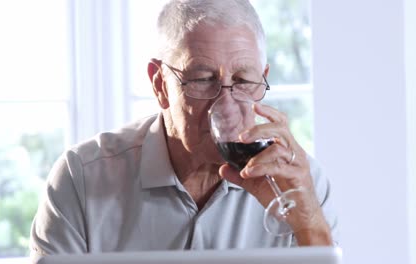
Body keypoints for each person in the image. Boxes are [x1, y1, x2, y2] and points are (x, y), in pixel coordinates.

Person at [29, 0, 338, 258]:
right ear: (160, 84)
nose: (227, 106)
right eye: (203, 80)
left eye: (243, 81)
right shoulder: (80, 179)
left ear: (264, 77)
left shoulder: (298, 181)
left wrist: (308, 222)